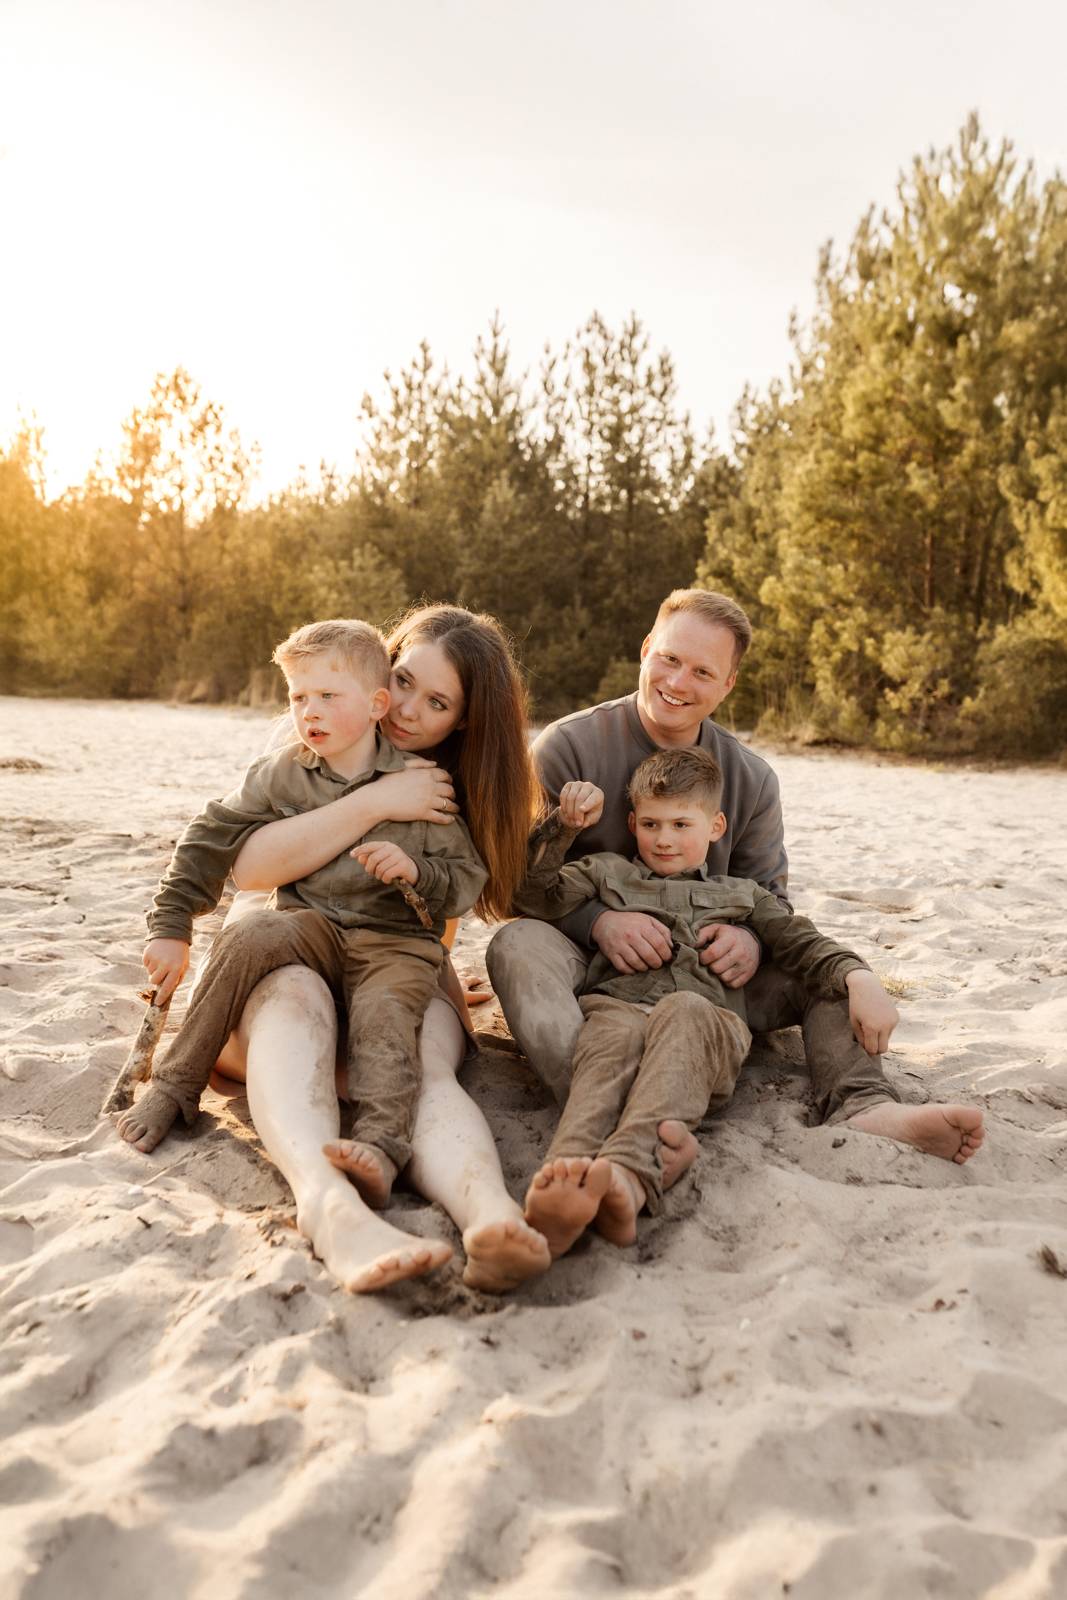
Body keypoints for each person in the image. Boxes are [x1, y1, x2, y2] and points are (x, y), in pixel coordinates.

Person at [123, 605, 557, 1294]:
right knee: (294, 997)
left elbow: (460, 898)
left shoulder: (451, 789)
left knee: (423, 1064)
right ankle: (328, 1206)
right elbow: (247, 866)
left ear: (465, 720)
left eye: (436, 701)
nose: (408, 710)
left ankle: (490, 1215)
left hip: (390, 969)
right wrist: (378, 800)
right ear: (382, 674)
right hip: (282, 971)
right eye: (404, 681)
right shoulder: (314, 738)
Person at [487, 588, 985, 1165]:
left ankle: (862, 1102)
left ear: (727, 685)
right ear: (647, 650)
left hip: (710, 976)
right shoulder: (567, 747)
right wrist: (599, 923)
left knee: (824, 972)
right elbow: (516, 886)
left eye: (703, 671)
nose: (679, 681)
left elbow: (770, 899)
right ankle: (595, 1089)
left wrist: (749, 940)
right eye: (670, 659)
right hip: (595, 967)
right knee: (515, 944)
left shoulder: (752, 778)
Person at [515, 750, 906, 1258]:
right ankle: (564, 1178)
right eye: (651, 823)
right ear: (631, 823)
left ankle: (628, 1176)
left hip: (707, 1022)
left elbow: (803, 943)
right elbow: (530, 895)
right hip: (618, 1005)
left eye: (682, 823)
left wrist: (860, 976)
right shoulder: (604, 872)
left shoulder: (742, 895)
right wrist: (562, 829)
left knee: (685, 1011)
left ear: (716, 825)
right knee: (608, 1041)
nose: (664, 838)